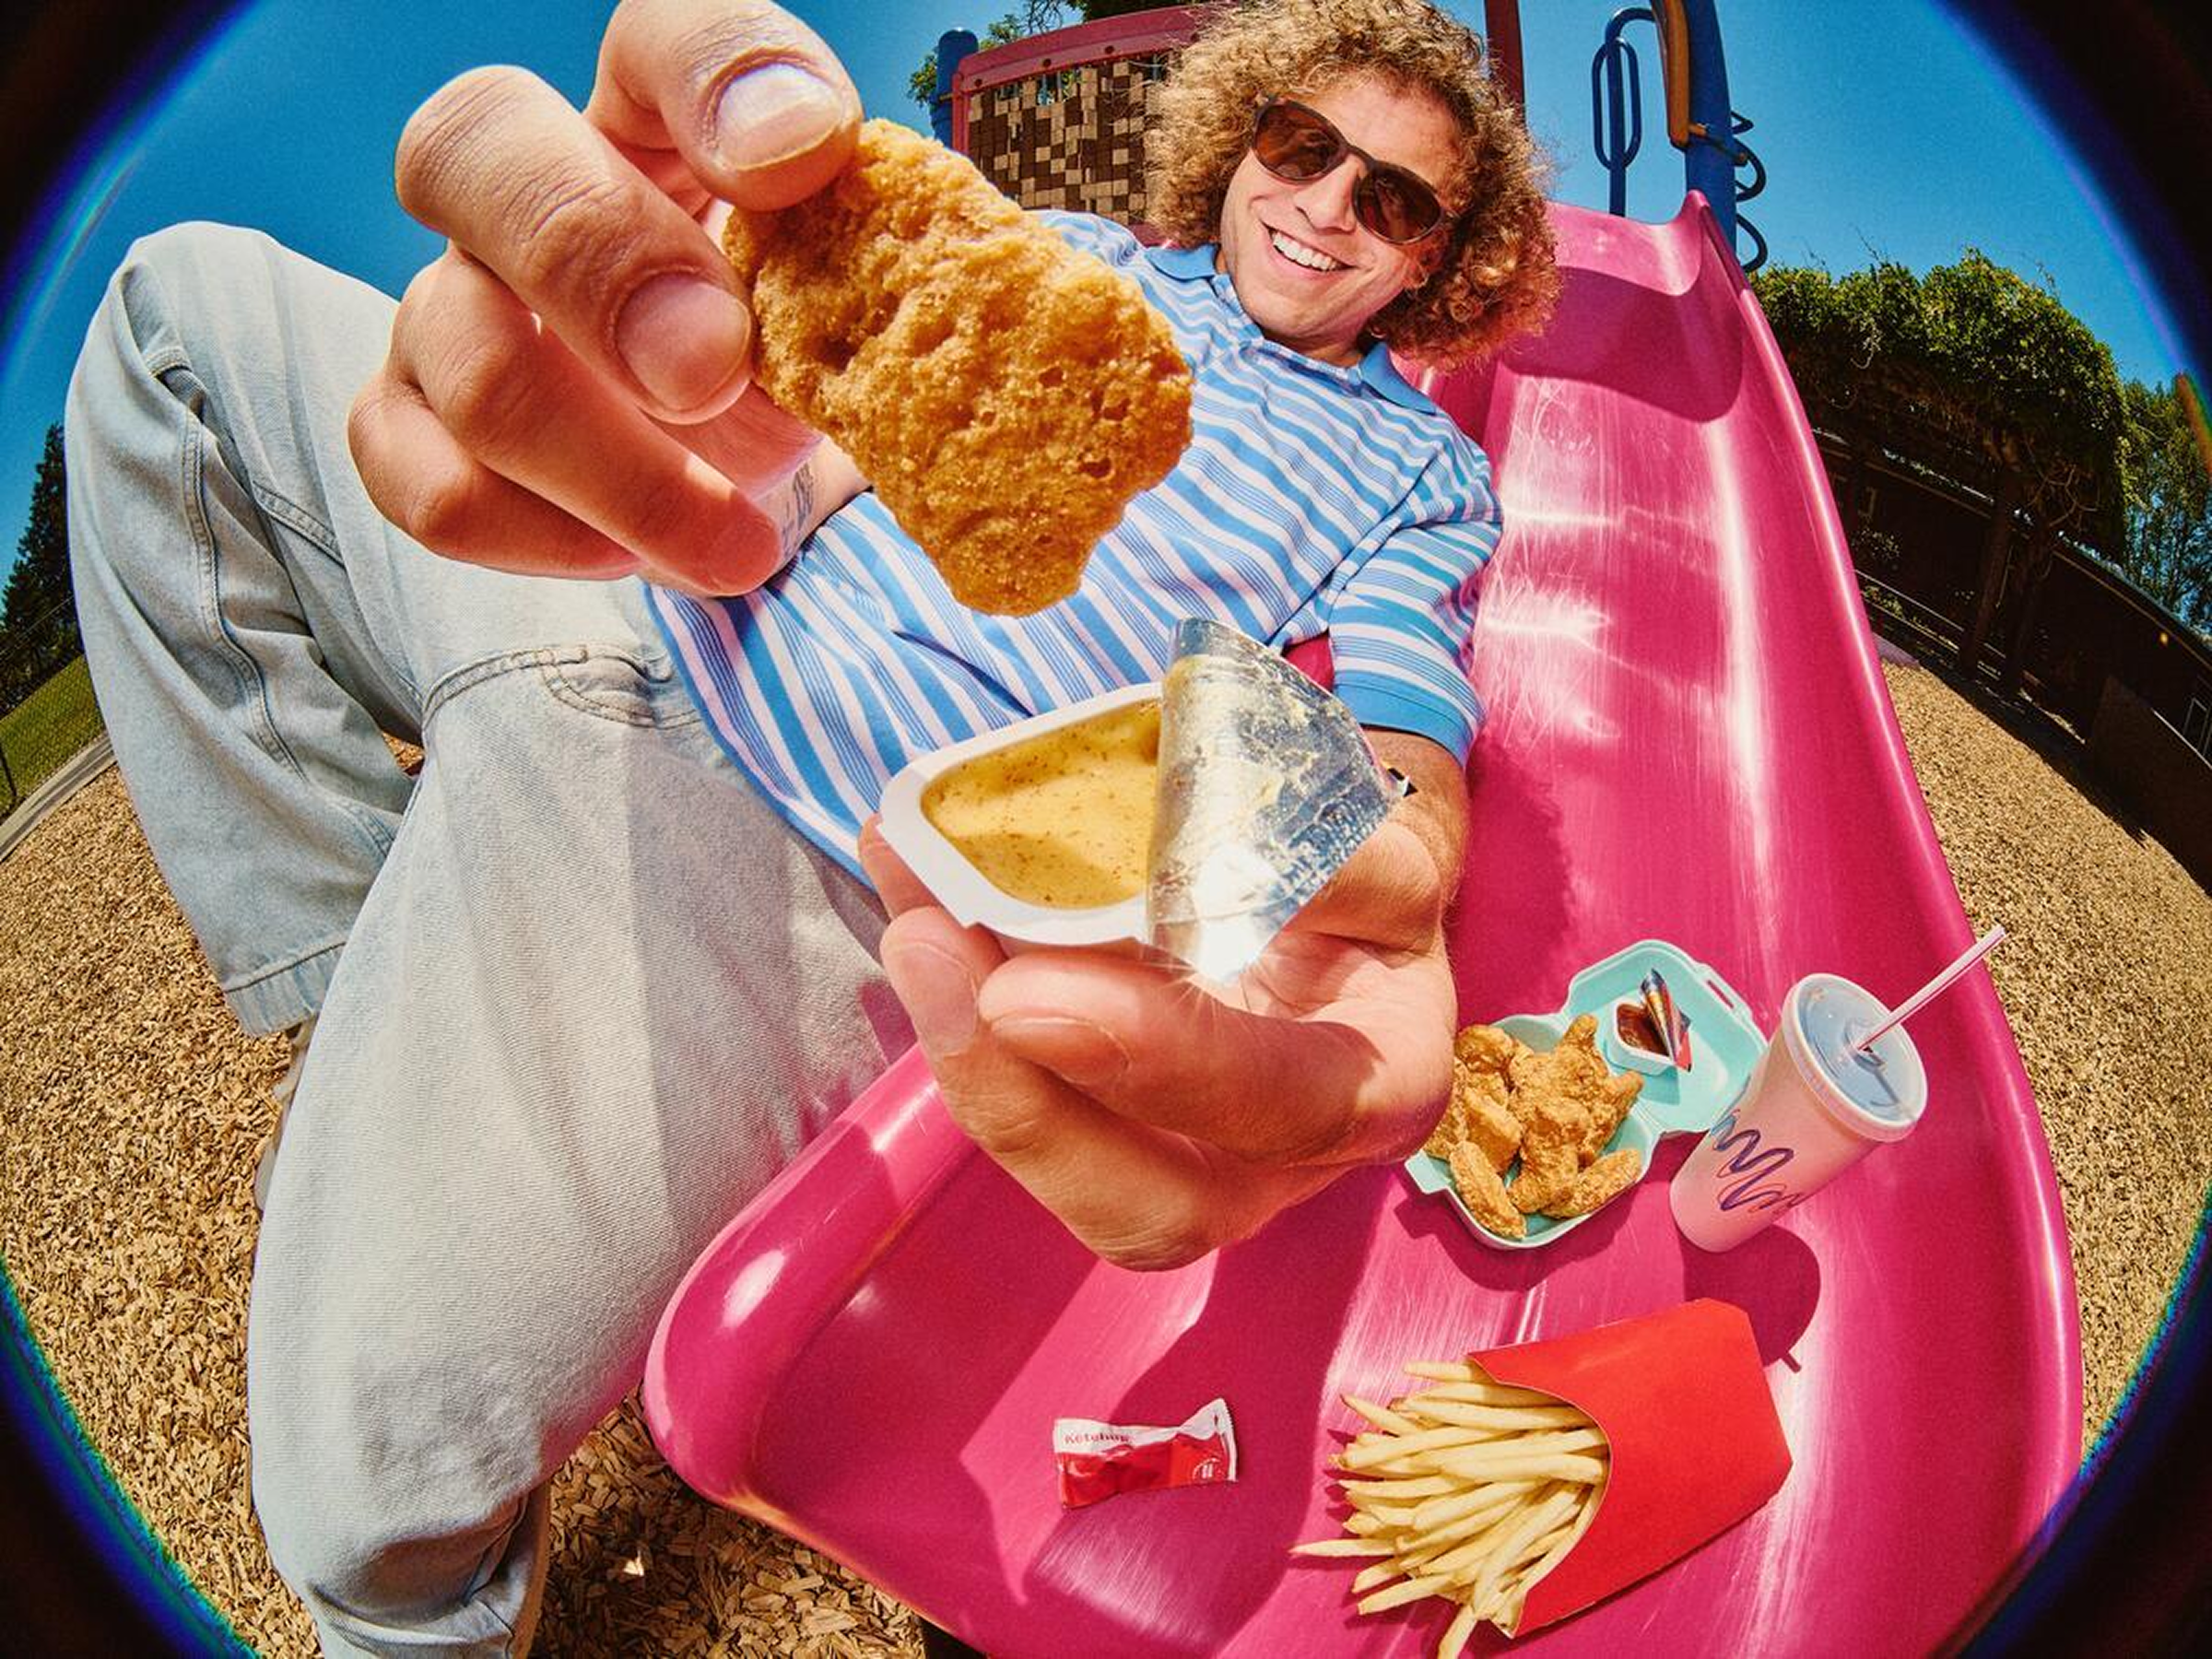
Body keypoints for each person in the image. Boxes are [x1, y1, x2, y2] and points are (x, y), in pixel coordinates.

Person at [64, 0, 1556, 1650]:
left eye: (1394, 200)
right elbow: (795, 455)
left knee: (369, 1511)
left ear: (1438, 258)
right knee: (173, 318)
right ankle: (351, 979)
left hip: (817, 845)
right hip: (623, 590)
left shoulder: (1414, 475)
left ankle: (428, 1025)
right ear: (1243, 139)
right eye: (1302, 143)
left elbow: (1405, 735)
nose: (1329, 203)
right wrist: (661, 392)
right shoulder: (1067, 254)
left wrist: (1396, 865)